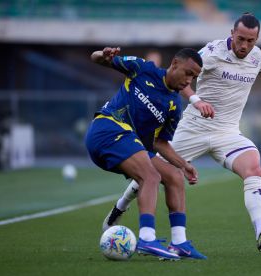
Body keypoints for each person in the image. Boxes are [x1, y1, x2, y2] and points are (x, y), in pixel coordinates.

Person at [105, 13, 261, 253]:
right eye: (241, 39)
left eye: (251, 41)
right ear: (232, 33)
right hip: (193, 129)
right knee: (149, 172)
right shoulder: (212, 52)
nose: (245, 45)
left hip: (227, 133)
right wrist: (196, 100)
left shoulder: (256, 56)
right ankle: (120, 207)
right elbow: (182, 74)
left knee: (254, 168)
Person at [86, 46, 206, 260]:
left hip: (129, 143)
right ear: (175, 64)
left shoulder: (173, 106)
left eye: (194, 77)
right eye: (188, 73)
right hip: (107, 129)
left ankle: (179, 243)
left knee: (174, 177)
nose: (190, 81)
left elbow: (159, 143)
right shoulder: (143, 68)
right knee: (150, 176)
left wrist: (183, 164)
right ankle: (146, 238)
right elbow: (96, 59)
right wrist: (102, 55)